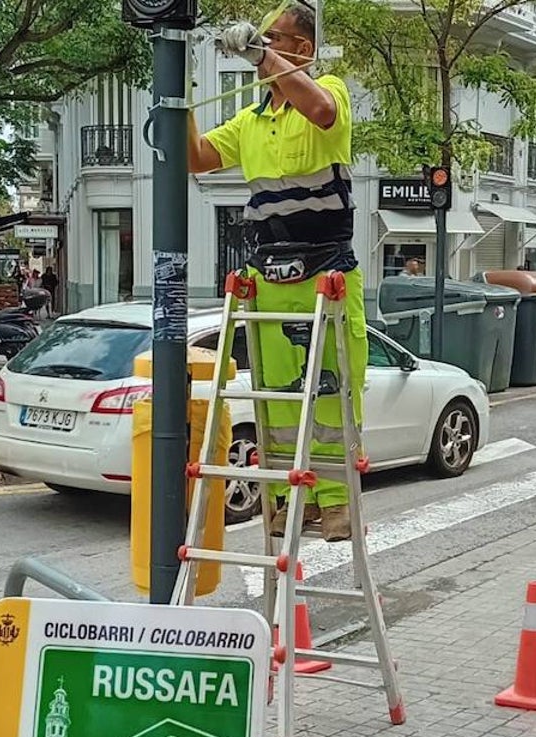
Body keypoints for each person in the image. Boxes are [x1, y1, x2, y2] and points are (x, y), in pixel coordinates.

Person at [189, 5, 363, 541]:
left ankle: (335, 503)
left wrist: (262, 53)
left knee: (331, 390)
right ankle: (289, 499)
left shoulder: (328, 89)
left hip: (325, 270)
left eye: (274, 39)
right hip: (268, 272)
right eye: (260, 40)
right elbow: (197, 157)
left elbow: (322, 110)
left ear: (303, 49)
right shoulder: (251, 120)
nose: (260, 50)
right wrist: (181, 92)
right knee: (277, 395)